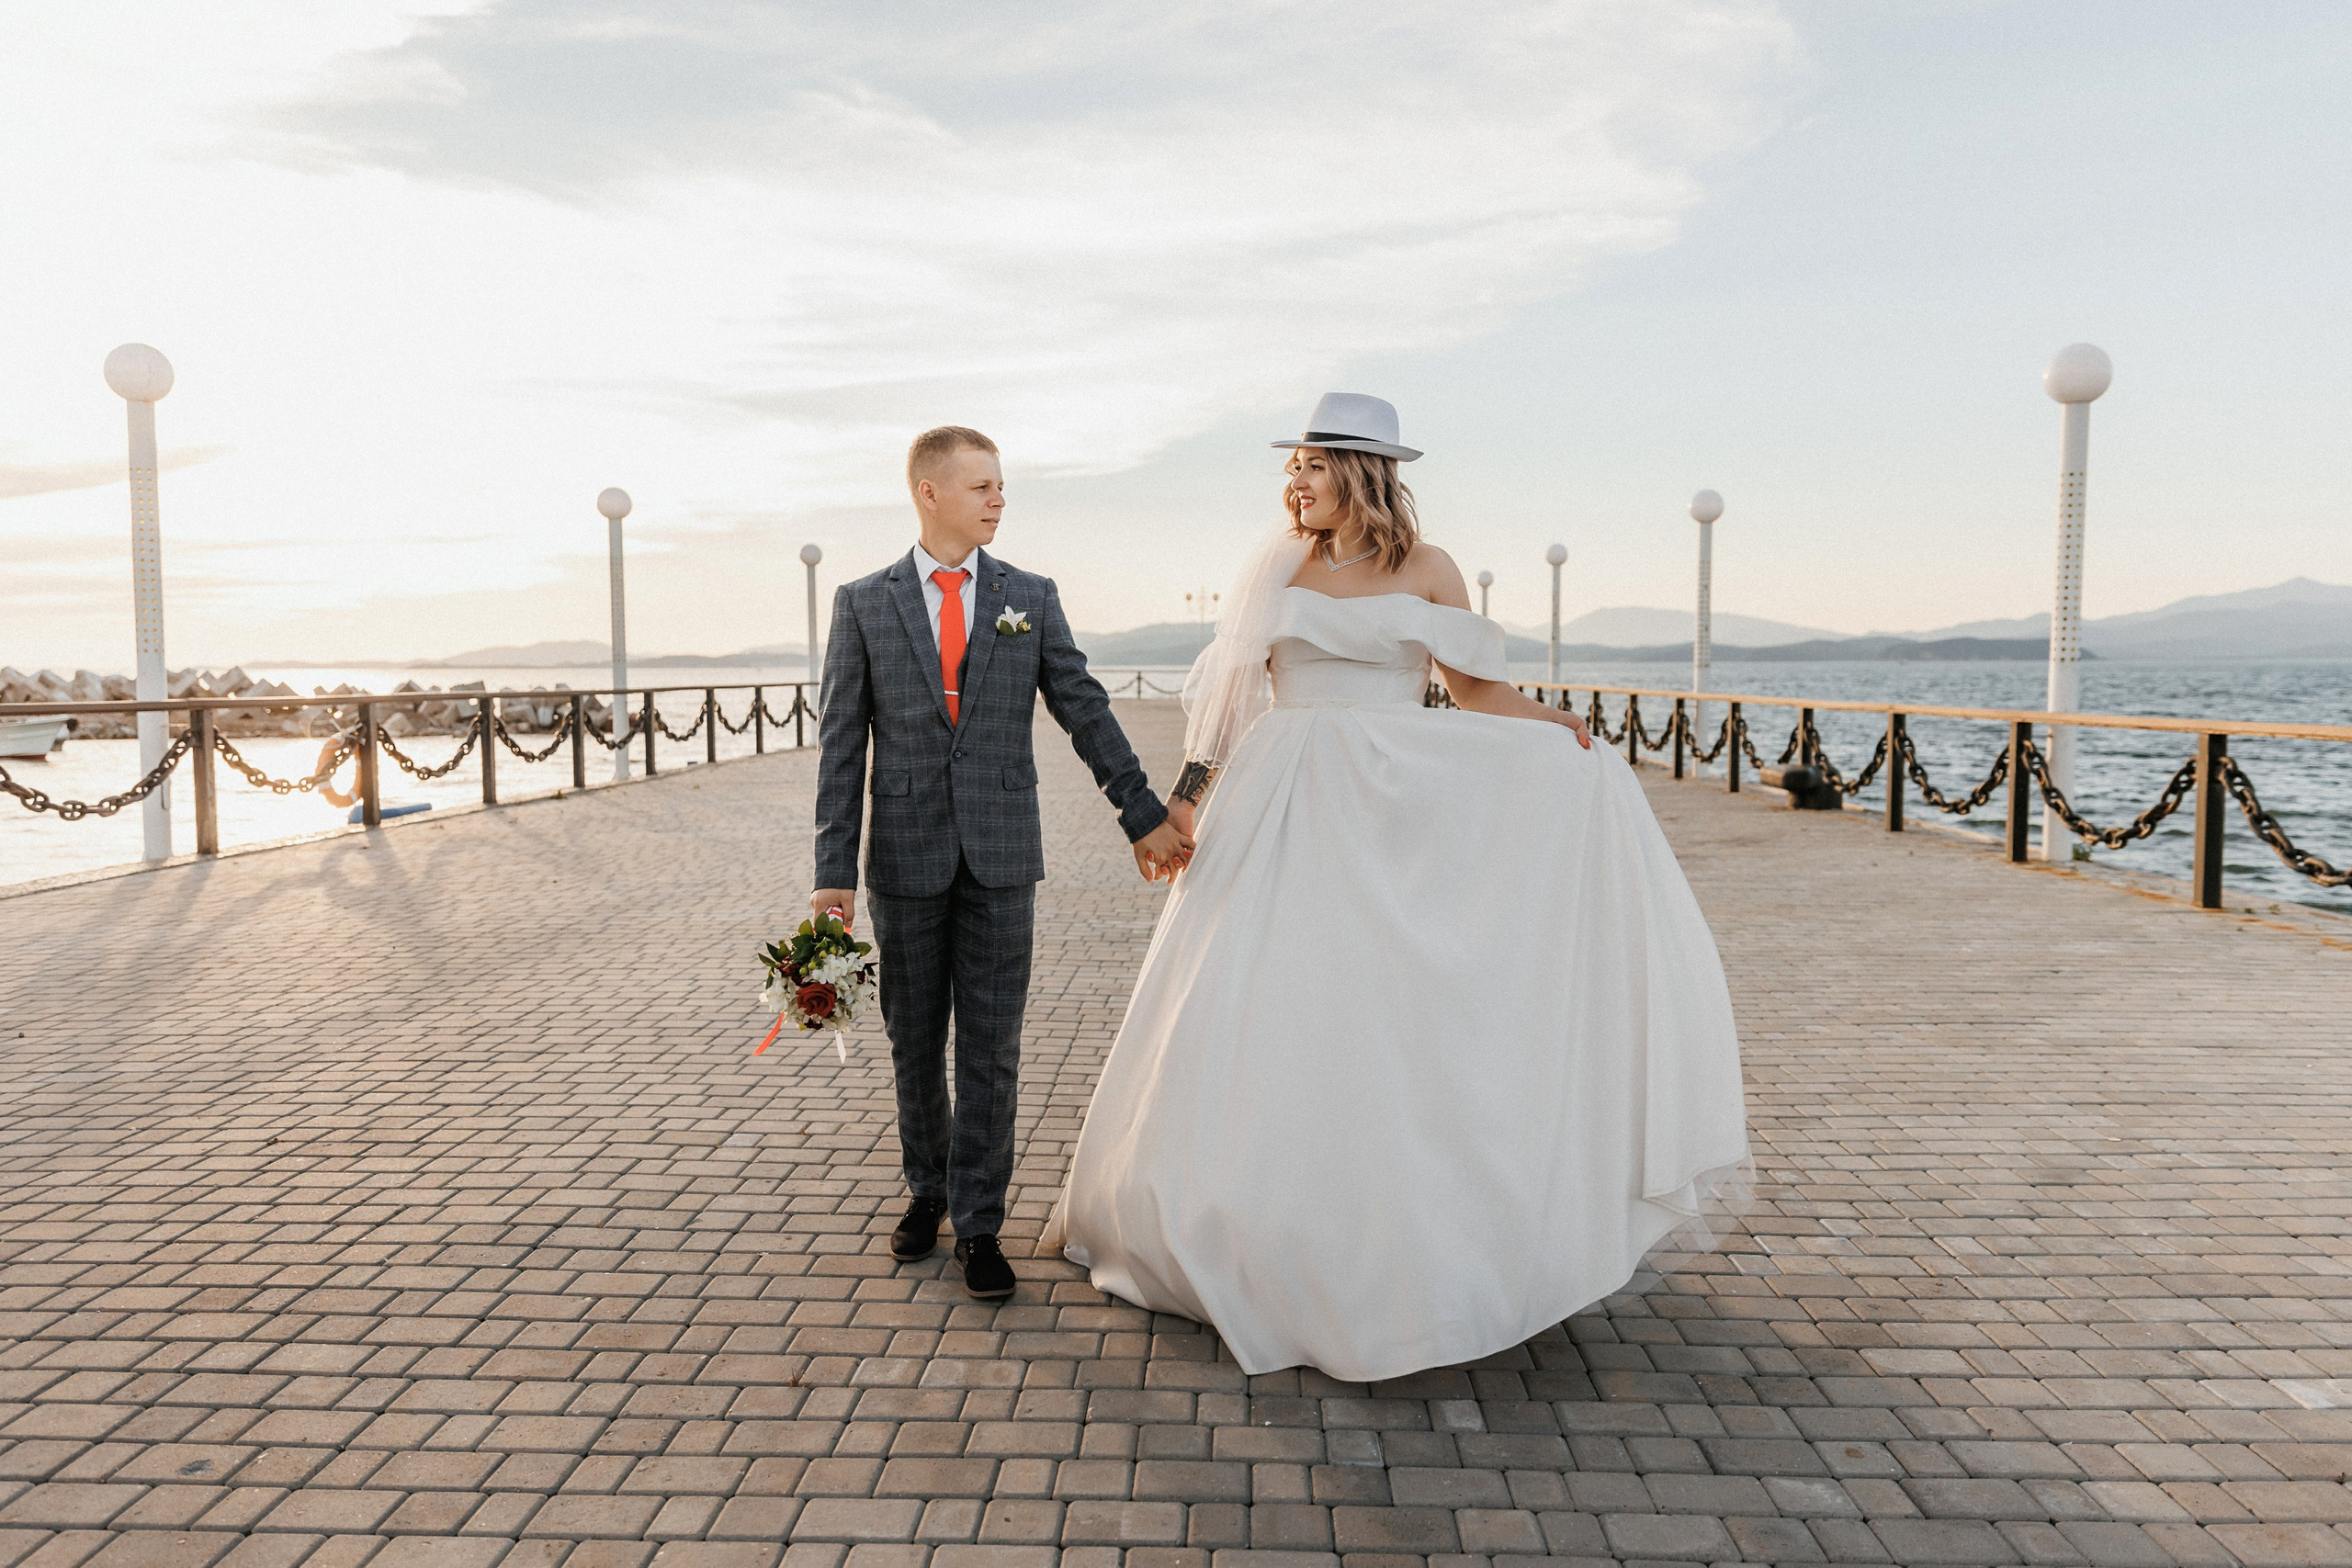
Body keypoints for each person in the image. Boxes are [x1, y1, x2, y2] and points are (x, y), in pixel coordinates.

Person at [1043, 394, 1751, 1381]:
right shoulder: (1277, 564)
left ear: (1363, 475)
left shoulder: (1431, 568)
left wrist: (1558, 732)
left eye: (1313, 468)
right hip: (1281, 792)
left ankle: (1408, 1233)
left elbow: (1475, 694)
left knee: (1388, 1008)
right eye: (1290, 468)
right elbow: (1231, 702)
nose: (1295, 484)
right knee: (1257, 996)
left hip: (1391, 801)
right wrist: (1186, 802)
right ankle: (1230, 1218)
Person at [812, 425, 1193, 1300]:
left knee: (990, 1047)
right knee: (915, 1041)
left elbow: (1083, 709)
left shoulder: (1030, 595)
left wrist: (1142, 816)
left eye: (1001, 484)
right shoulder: (863, 603)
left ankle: (980, 1223)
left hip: (1001, 857)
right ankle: (927, 1190)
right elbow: (841, 746)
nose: (999, 498)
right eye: (983, 484)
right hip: (901, 859)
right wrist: (831, 872)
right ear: (930, 493)